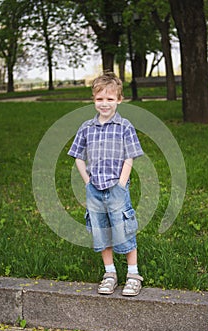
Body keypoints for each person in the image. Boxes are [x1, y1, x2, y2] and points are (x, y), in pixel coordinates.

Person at [68, 72, 144, 296]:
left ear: (119, 100)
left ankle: (133, 274)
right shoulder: (86, 128)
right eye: (100, 99)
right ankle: (109, 272)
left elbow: (130, 156)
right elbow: (78, 155)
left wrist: (121, 183)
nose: (105, 103)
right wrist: (87, 181)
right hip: (94, 189)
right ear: (94, 99)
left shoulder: (124, 126)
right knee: (100, 229)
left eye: (110, 99)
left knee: (124, 227)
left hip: (116, 188)